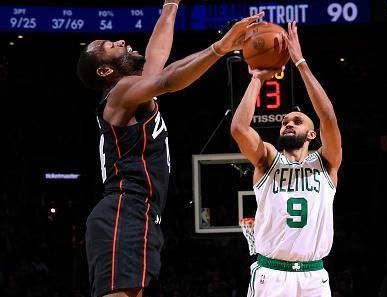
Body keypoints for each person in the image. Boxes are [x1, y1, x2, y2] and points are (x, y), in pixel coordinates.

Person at [76, 1, 264, 296]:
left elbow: (158, 56)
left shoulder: (134, 89)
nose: (122, 41)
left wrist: (171, 6)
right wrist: (221, 47)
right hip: (123, 208)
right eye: (112, 45)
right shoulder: (120, 93)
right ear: (104, 70)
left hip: (139, 212)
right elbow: (167, 79)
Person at [231, 21, 342, 297]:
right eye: (284, 121)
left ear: (312, 134)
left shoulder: (326, 163)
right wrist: (256, 79)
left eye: (296, 120)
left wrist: (300, 62)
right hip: (271, 274)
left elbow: (328, 117)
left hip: (314, 276)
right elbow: (239, 129)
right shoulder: (268, 160)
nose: (288, 123)